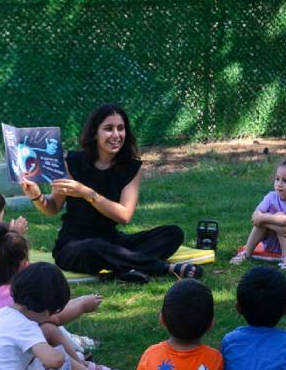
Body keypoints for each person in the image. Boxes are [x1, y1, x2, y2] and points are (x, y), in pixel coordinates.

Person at [20, 104, 199, 285]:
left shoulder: (131, 167)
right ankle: (163, 268)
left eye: (120, 129)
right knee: (95, 246)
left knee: (172, 234)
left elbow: (124, 216)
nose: (116, 135)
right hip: (74, 247)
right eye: (108, 129)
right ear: (95, 133)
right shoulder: (73, 162)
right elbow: (52, 208)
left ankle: (122, 270)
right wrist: (36, 196)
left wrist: (87, 193)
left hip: (112, 241)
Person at [0, 223, 114, 370]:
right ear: (24, 266)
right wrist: (82, 305)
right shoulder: (14, 298)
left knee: (45, 333)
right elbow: (54, 317)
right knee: (49, 331)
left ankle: (82, 365)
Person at [229, 160, 286, 270]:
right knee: (263, 222)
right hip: (273, 243)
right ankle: (246, 253)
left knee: (279, 217)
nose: (279, 183)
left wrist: (264, 218)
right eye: (277, 179)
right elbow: (255, 217)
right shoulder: (271, 196)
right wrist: (270, 224)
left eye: (285, 180)